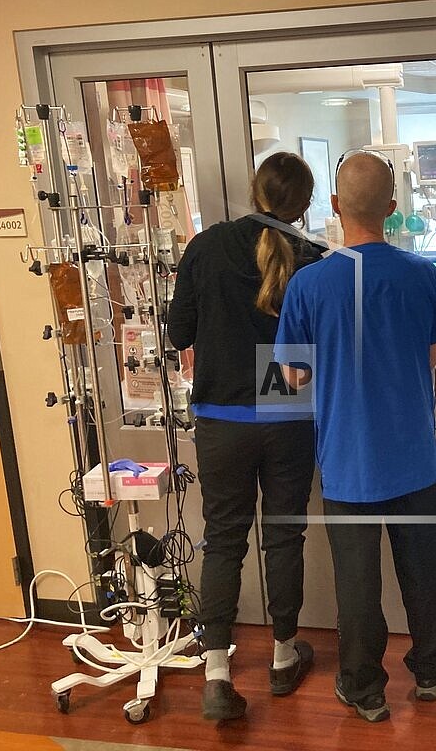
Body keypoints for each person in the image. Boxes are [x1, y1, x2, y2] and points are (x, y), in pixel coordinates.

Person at [275, 150, 436, 723]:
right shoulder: (422, 274)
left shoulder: (308, 285)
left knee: (357, 585)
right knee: (422, 571)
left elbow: (291, 376)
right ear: (392, 206)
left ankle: (363, 688)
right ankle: (430, 672)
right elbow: (433, 357)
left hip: (348, 462)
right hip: (411, 457)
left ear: (334, 207)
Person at [168, 152, 324, 721]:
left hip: (221, 413)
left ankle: (216, 672)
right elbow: (316, 350)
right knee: (283, 538)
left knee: (224, 539)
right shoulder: (312, 258)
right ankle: (283, 659)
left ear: (255, 191)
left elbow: (179, 331)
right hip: (284, 413)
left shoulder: (205, 248)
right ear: (304, 204)